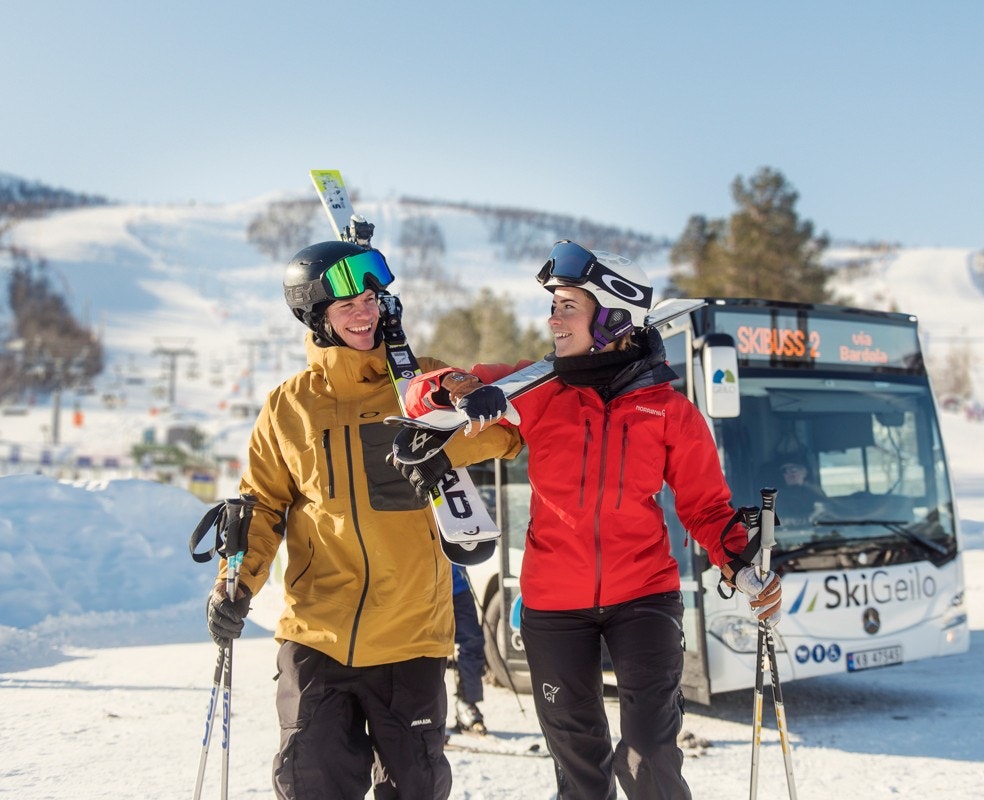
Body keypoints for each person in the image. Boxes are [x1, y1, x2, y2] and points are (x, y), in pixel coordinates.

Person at [397, 240, 782, 800]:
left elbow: (705, 507)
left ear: (612, 318)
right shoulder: (537, 390)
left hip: (644, 597)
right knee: (580, 768)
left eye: (567, 307)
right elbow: (416, 396)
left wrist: (742, 567)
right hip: (554, 607)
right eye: (552, 307)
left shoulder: (670, 410)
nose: (552, 320)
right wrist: (459, 388)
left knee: (650, 754)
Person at [204, 240, 523, 800]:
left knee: (415, 789)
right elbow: (261, 504)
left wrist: (458, 408)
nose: (364, 312)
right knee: (312, 785)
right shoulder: (289, 406)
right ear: (316, 318)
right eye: (346, 304)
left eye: (372, 298)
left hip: (411, 636)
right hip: (317, 636)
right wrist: (235, 584)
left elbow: (503, 437)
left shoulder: (422, 384)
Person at [450, 564, 487, 735]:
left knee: (472, 642)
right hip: (422, 587)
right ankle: (422, 716)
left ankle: (467, 704)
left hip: (458, 585)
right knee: (425, 650)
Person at [769, 449, 827, 524]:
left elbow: (827, 515)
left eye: (794, 469)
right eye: (785, 470)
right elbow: (777, 521)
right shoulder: (776, 496)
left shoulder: (816, 491)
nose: (789, 473)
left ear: (805, 472)